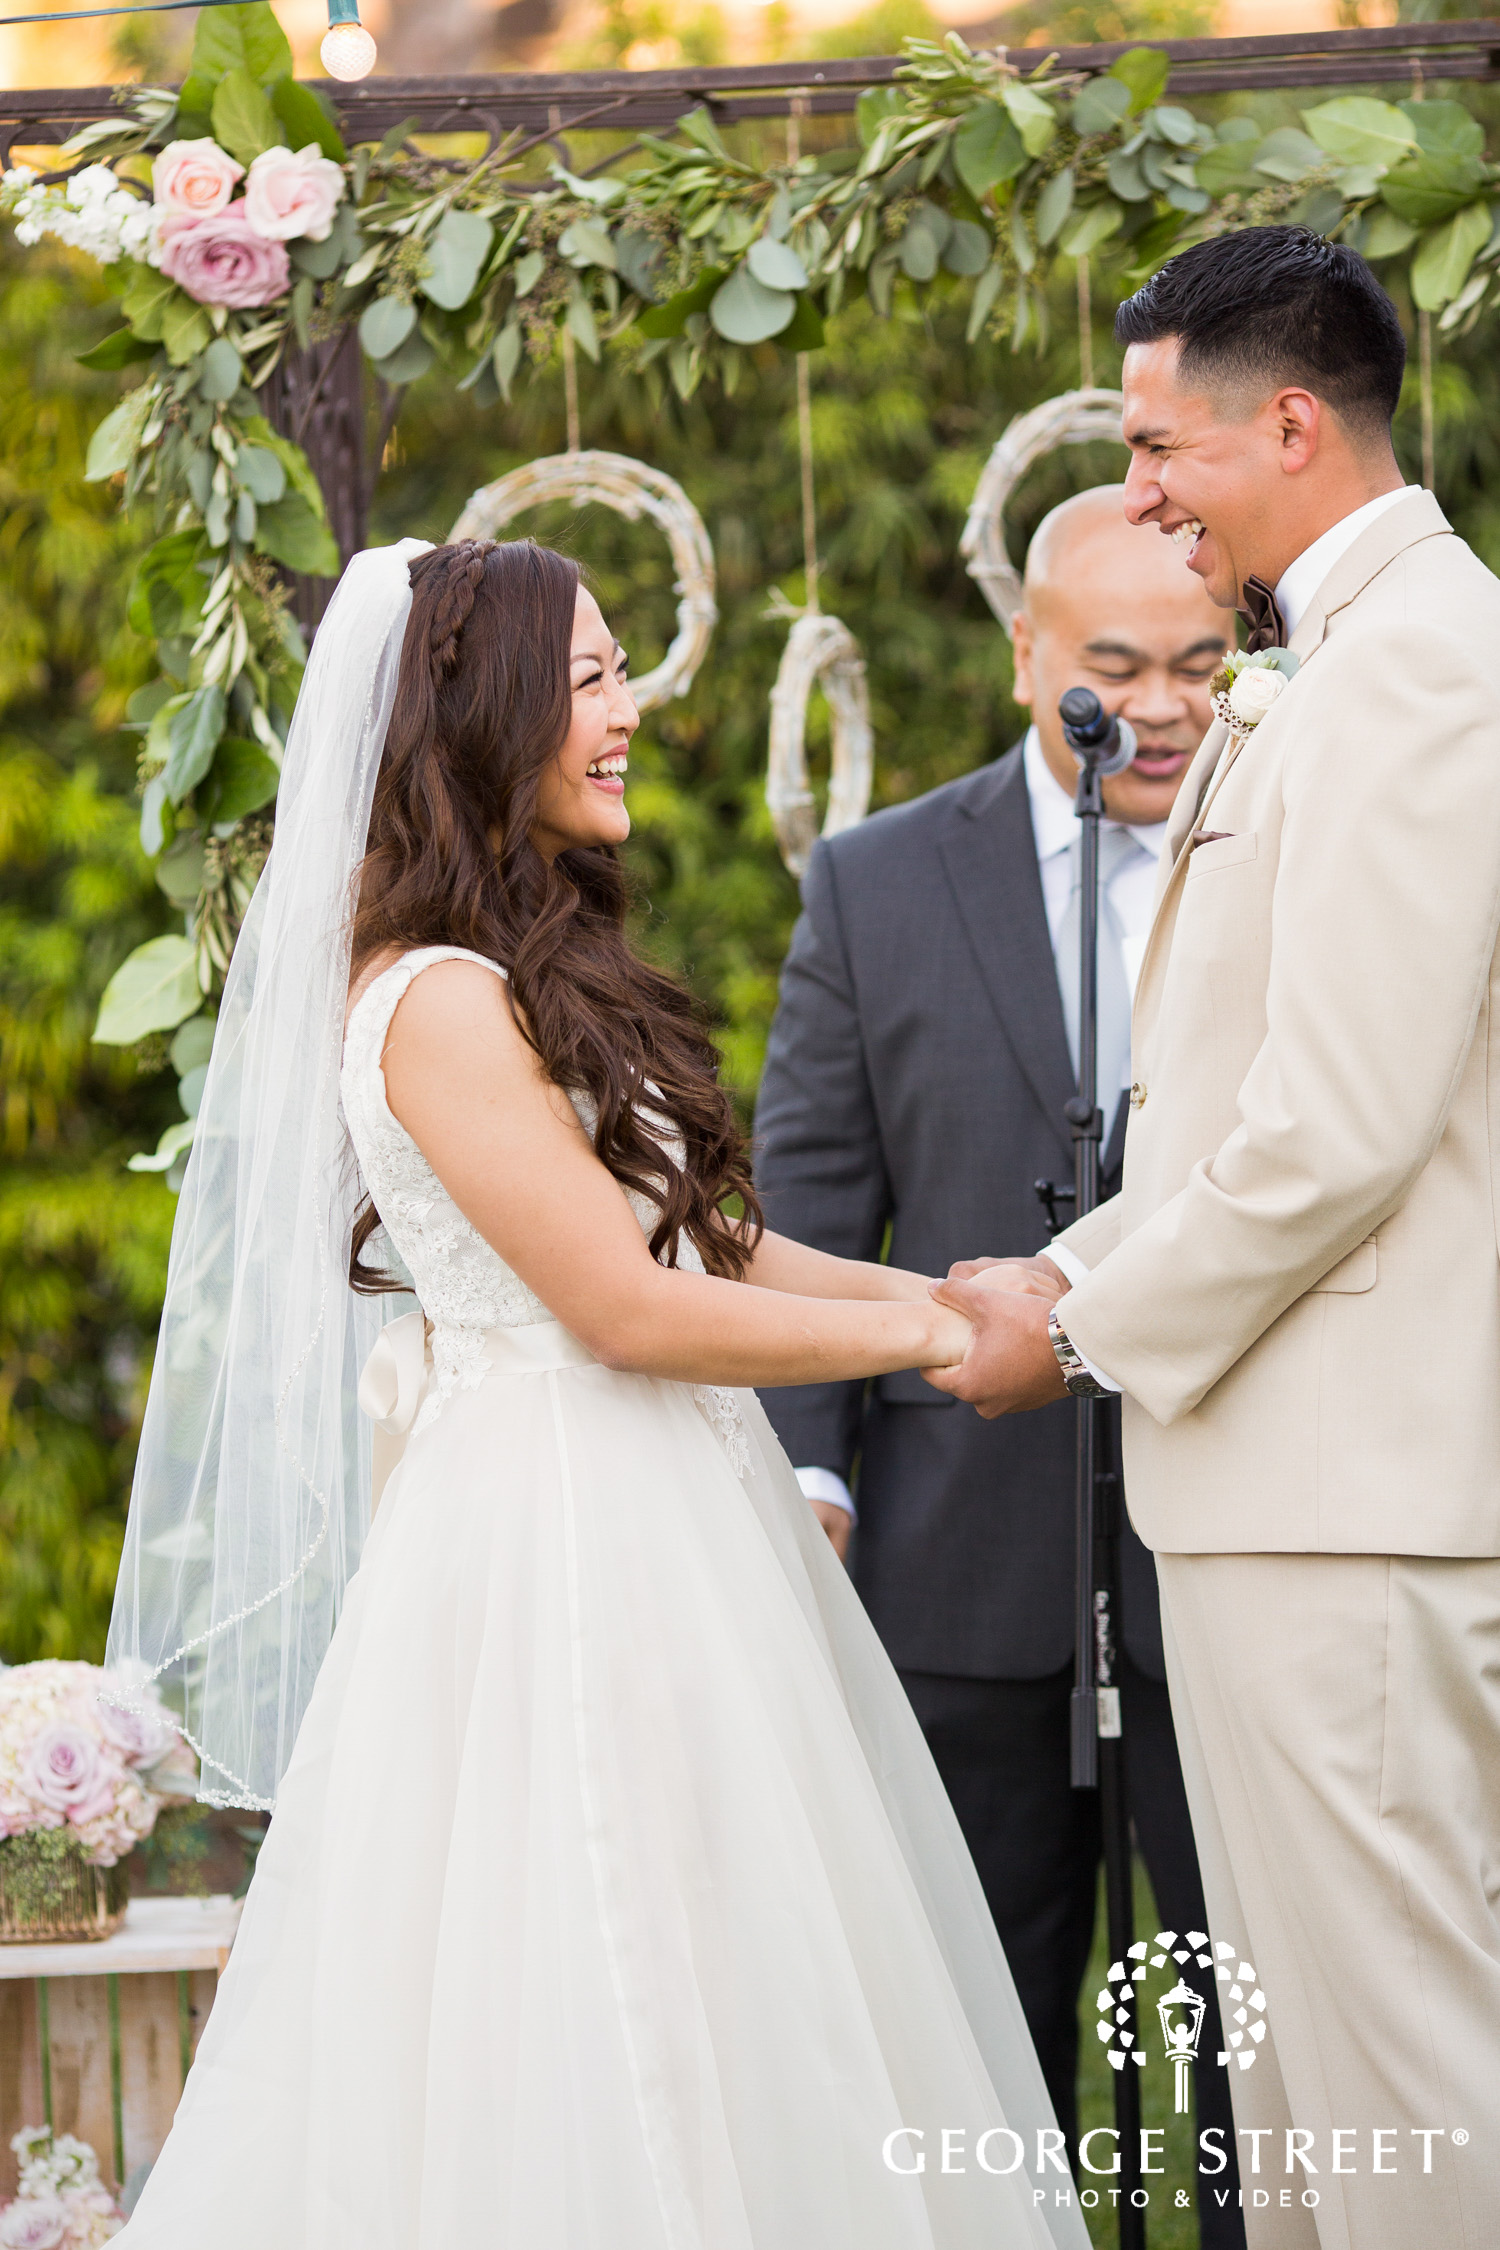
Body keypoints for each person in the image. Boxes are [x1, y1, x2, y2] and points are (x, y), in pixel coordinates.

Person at [108, 536, 1088, 2250]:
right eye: (590, 681)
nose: (629, 713)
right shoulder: (430, 1001)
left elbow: (717, 1242)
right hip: (558, 1541)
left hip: (672, 1518)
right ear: (486, 719)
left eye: (623, 672)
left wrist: (964, 1290)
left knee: (744, 1958)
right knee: (598, 1954)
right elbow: (627, 1307)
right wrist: (942, 1347)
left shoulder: (529, 968)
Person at [930, 227, 1500, 2250]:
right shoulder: (1348, 661)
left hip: (1349, 1514)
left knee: (1402, 2092)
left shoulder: (1418, 671)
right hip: (1285, 1504)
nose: (1145, 492)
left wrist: (1071, 1318)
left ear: (1286, 421)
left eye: (1163, 446)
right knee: (1315, 2105)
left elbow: (1335, 1128)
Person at [755, 490, 1245, 2240]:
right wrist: (806, 1473)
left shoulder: (1286, 850)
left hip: (1230, 1561)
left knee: (1250, 2070)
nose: (1163, 703)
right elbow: (810, 1191)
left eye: (1202, 660)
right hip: (956, 1566)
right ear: (1026, 650)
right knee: (976, 2051)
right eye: (1115, 664)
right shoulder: (876, 878)